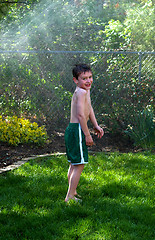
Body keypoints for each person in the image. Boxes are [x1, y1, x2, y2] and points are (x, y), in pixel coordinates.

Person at [65, 64, 104, 202]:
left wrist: (96, 125)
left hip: (73, 129)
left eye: (90, 77)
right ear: (76, 80)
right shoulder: (80, 92)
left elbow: (89, 108)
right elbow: (81, 115)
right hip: (77, 130)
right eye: (84, 78)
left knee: (74, 164)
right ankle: (69, 197)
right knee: (79, 165)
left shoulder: (85, 91)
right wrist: (87, 135)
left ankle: (73, 192)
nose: (88, 81)